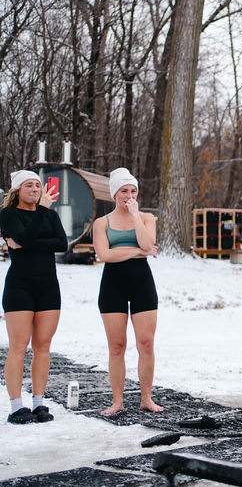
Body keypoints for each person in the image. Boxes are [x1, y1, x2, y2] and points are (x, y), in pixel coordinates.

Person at [92, 168, 161, 415]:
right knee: (117, 346)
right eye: (124, 191)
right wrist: (139, 252)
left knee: (146, 342)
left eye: (133, 191)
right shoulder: (102, 223)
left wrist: (135, 216)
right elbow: (106, 255)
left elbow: (146, 242)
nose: (129, 195)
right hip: (113, 285)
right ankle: (117, 402)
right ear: (114, 194)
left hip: (142, 283)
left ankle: (146, 398)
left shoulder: (146, 218)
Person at [1, 170, 67, 424]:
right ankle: (17, 406)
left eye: (38, 185)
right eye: (29, 185)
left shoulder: (49, 214)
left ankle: (39, 403)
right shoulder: (8, 214)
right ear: (18, 190)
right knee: (19, 347)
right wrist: (35, 230)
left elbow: (62, 244)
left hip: (49, 286)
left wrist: (26, 242)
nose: (35, 189)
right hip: (20, 286)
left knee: (43, 347)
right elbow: (25, 238)